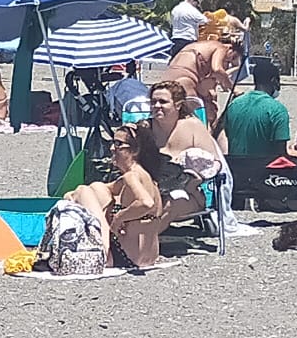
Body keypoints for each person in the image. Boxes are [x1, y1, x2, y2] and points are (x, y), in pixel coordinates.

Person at [69, 120, 171, 268]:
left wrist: (118, 218)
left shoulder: (132, 176)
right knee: (95, 188)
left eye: (118, 144)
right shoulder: (146, 177)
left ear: (135, 151)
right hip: (148, 257)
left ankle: (102, 249)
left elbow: (146, 203)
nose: (112, 148)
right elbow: (104, 188)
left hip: (124, 256)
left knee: (82, 191)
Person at [218, 60, 295, 161]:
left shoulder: (234, 104)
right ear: (274, 81)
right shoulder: (278, 111)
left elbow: (225, 134)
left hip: (236, 169)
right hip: (263, 173)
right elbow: (280, 156)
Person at [163, 24, 239, 119]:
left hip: (168, 79)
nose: (228, 64)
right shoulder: (221, 47)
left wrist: (209, 96)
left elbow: (204, 87)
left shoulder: (199, 46)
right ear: (230, 48)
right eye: (231, 59)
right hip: (185, 80)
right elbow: (217, 69)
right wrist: (233, 89)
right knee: (199, 120)